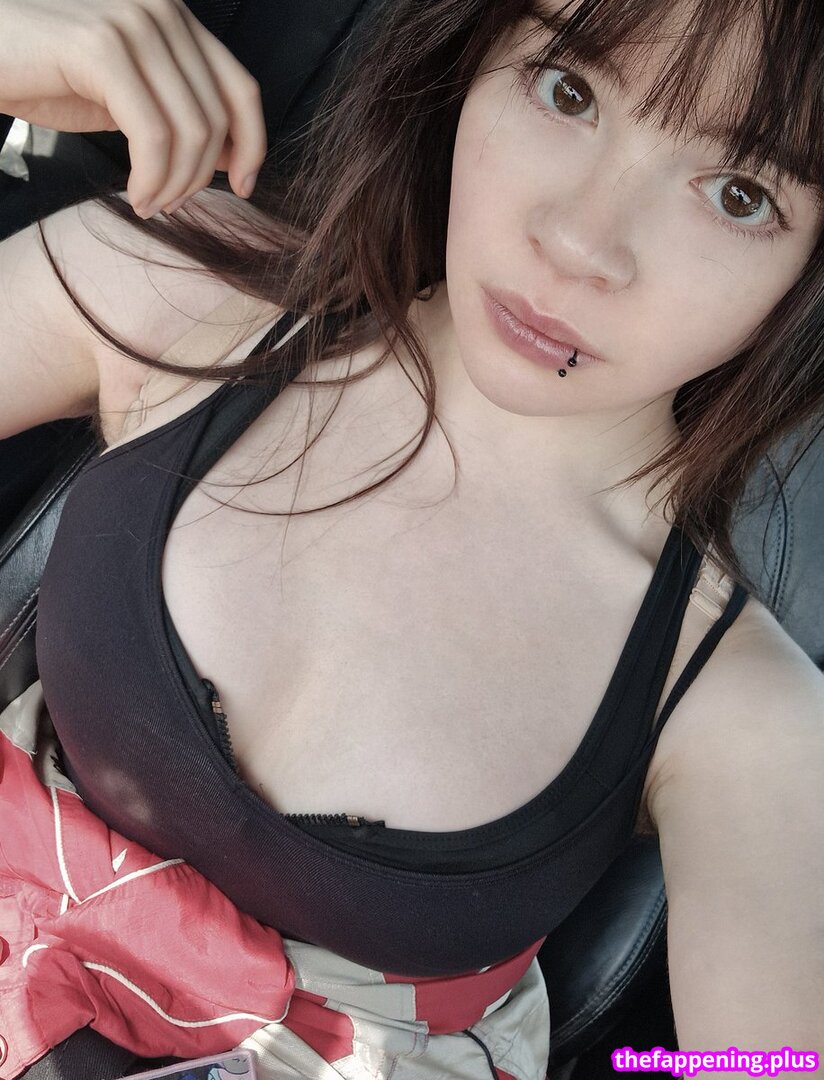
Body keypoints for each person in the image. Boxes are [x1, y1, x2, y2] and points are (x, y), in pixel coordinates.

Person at [0, 0, 822, 1077]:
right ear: (468, 56)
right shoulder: (176, 293)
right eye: (567, 89)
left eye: (738, 195)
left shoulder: (739, 710)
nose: (580, 242)